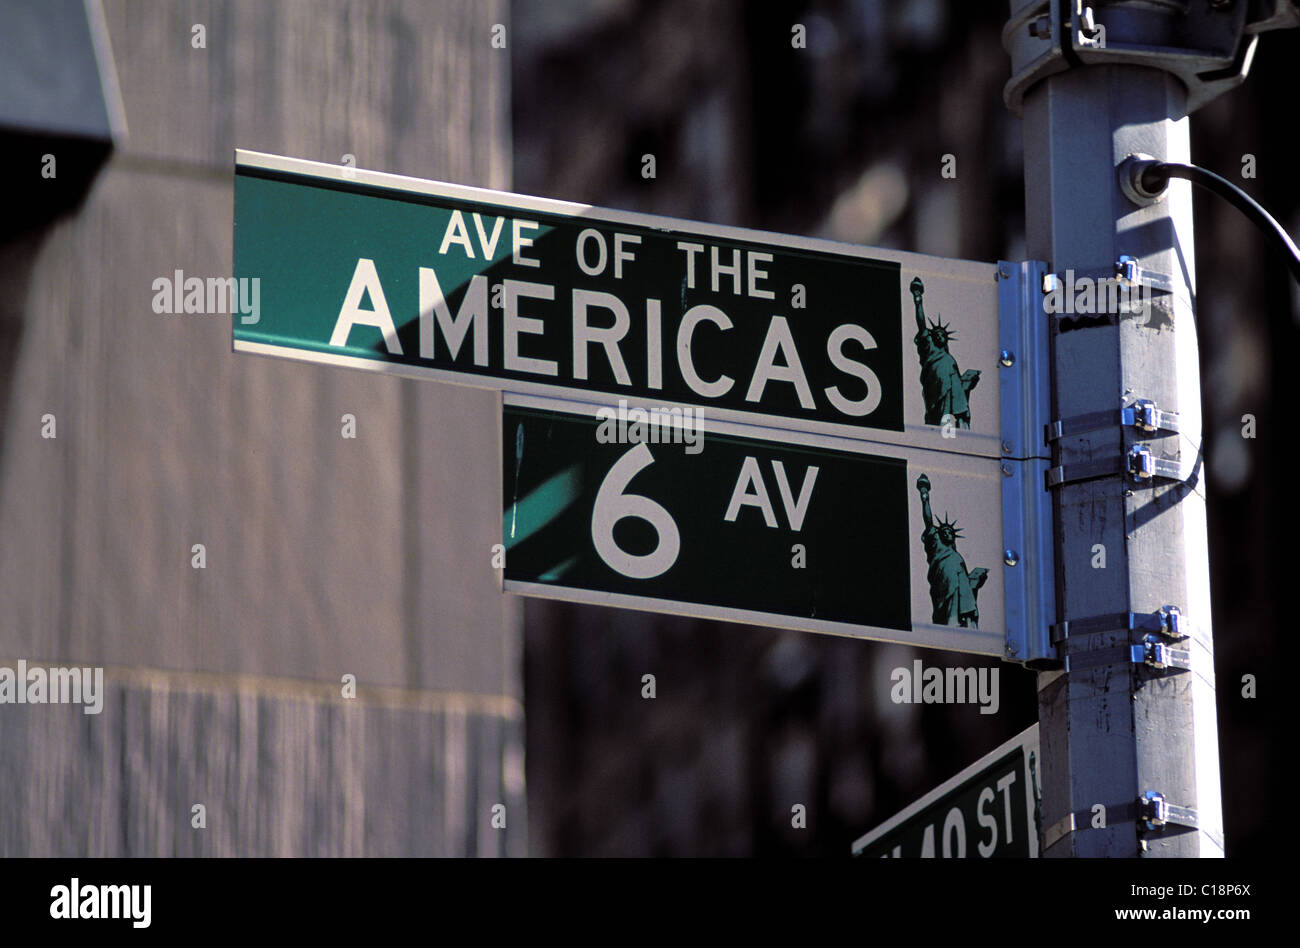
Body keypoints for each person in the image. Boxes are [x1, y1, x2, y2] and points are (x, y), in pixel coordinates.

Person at [915, 473, 987, 627]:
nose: (947, 533)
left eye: (950, 532)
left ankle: (963, 624)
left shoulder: (956, 556)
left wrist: (975, 580)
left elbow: (966, 588)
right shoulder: (936, 545)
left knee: (961, 606)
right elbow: (928, 522)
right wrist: (925, 498)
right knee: (949, 611)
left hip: (959, 584)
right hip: (943, 579)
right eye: (944, 531)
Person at [910, 276, 980, 428]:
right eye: (937, 334)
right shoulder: (929, 349)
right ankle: (944, 433)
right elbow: (922, 325)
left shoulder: (949, 358)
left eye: (943, 334)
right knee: (940, 415)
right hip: (935, 383)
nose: (940, 336)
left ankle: (960, 430)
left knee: (957, 411)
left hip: (952, 384)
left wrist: (967, 381)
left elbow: (959, 389)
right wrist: (918, 300)